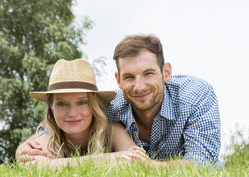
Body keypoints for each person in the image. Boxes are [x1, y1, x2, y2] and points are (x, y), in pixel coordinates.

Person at [17, 34, 221, 166]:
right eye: (129, 77)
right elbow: (61, 126)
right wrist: (24, 149)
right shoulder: (110, 109)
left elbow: (203, 164)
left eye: (148, 73)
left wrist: (149, 166)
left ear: (165, 72)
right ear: (118, 80)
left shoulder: (195, 96)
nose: (139, 86)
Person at [18, 58, 149, 168]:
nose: (73, 113)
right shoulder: (48, 140)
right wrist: (113, 158)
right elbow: (34, 167)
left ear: (94, 106)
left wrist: (55, 164)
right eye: (62, 104)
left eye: (82, 102)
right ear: (52, 109)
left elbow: (137, 161)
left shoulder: (112, 131)